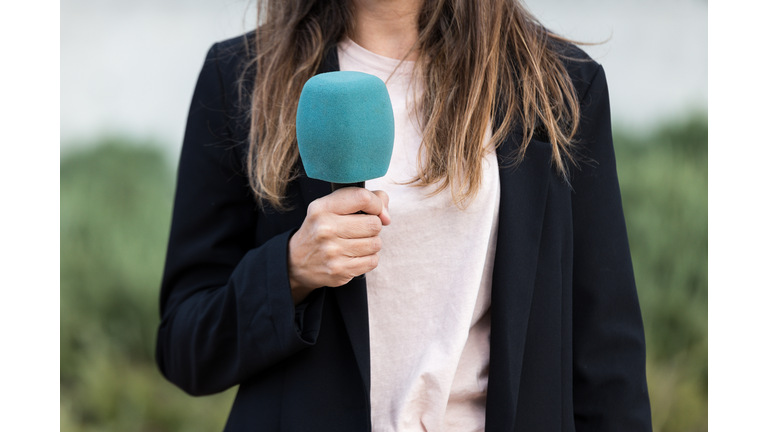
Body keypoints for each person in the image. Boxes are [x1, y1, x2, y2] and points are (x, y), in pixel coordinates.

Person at [155, 0, 653, 430]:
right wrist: (287, 273)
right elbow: (185, 348)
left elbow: (607, 358)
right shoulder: (242, 78)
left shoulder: (557, 85)